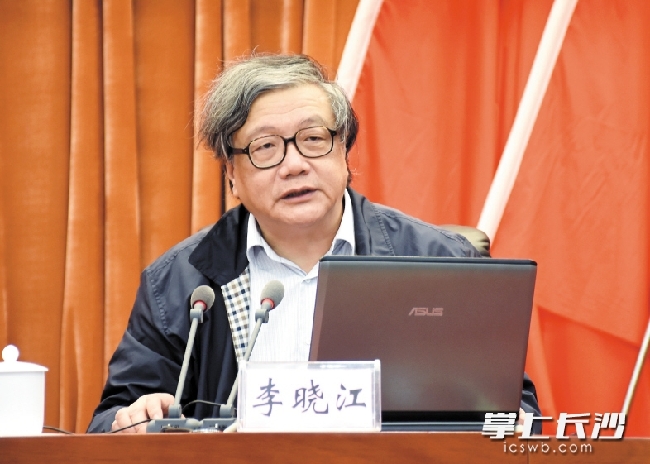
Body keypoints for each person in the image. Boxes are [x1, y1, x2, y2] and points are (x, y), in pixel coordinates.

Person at [87, 54, 541, 433]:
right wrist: (134, 419)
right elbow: (111, 420)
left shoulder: (440, 261)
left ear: (344, 151)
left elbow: (515, 411)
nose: (294, 165)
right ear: (231, 174)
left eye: (313, 139)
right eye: (266, 147)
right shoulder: (181, 283)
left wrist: (506, 422)